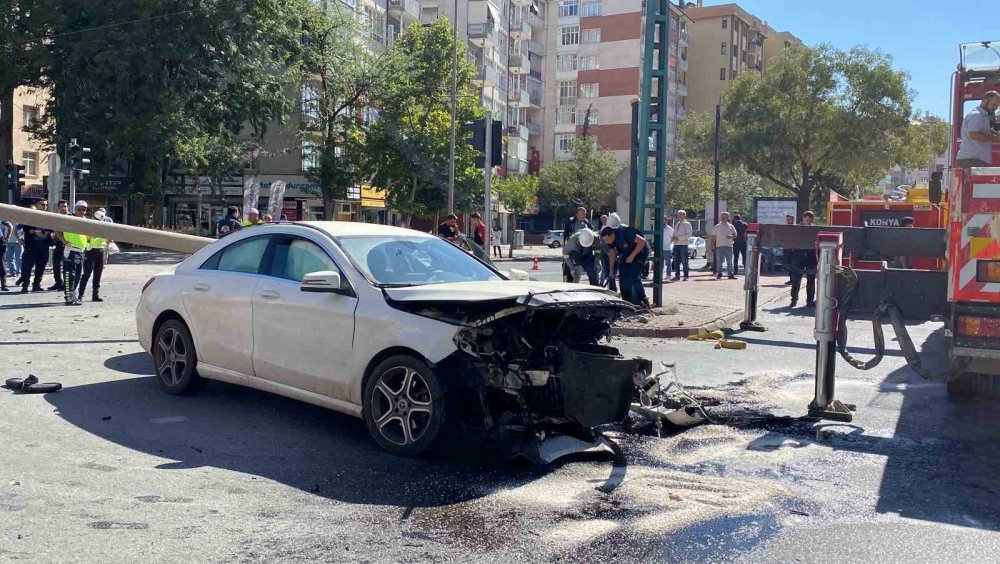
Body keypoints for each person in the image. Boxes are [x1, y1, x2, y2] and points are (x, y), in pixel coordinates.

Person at [53, 201, 90, 306]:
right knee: (69, 274)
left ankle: (73, 295)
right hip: (71, 251)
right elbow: (57, 230)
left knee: (78, 275)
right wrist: (64, 242)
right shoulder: (68, 218)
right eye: (79, 209)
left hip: (81, 251)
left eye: (84, 209)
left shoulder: (86, 220)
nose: (82, 211)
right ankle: (68, 298)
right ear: (75, 209)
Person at [601, 225, 648, 306]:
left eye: (607, 240)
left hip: (640, 252)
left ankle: (643, 300)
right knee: (622, 276)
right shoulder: (611, 241)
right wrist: (611, 271)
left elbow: (642, 242)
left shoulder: (625, 233)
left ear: (611, 235)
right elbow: (612, 255)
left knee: (634, 276)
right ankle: (626, 302)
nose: (606, 242)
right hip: (627, 253)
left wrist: (632, 255)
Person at [957, 91, 1000, 169]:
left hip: (975, 158)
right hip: (971, 159)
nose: (995, 108)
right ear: (984, 101)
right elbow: (974, 135)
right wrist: (995, 138)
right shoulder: (976, 115)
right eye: (993, 104)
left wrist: (993, 132)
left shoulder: (983, 116)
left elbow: (983, 130)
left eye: (997, 106)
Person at [18, 201, 52, 293]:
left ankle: (36, 285)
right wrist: (35, 232)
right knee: (27, 266)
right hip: (31, 246)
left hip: (43, 245)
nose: (44, 206)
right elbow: (25, 229)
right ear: (37, 205)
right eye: (42, 204)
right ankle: (25, 285)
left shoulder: (49, 217)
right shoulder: (29, 216)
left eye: (46, 205)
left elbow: (50, 229)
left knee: (40, 267)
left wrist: (41, 233)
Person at [788, 211, 817, 308]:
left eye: (809, 220)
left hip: (810, 256)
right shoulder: (797, 228)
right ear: (803, 218)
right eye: (806, 219)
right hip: (798, 255)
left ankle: (810, 301)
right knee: (796, 279)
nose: (808, 221)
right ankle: (794, 299)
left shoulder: (815, 229)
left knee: (811, 280)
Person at [79, 212, 107, 303]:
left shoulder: (104, 226)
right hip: (91, 250)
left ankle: (95, 295)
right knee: (87, 273)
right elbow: (86, 238)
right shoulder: (89, 227)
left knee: (98, 274)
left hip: (101, 250)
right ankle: (80, 295)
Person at [562, 207, 592, 282]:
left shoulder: (586, 222)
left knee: (580, 270)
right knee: (568, 270)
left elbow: (591, 231)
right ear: (577, 214)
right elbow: (566, 235)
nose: (584, 215)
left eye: (585, 214)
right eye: (583, 213)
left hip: (584, 249)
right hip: (572, 248)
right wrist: (567, 245)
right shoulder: (571, 221)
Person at [48, 200, 70, 291]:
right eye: (61, 206)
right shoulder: (56, 217)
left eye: (65, 206)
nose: (63, 208)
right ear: (58, 207)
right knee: (56, 264)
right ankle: (58, 282)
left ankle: (66, 284)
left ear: (67, 207)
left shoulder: (70, 217)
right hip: (58, 244)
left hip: (68, 244)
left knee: (67, 265)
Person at [713, 212, 738, 280]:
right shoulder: (717, 226)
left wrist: (731, 236)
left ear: (728, 218)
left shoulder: (731, 226)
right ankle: (719, 274)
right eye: (722, 217)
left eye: (725, 217)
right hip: (719, 246)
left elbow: (735, 235)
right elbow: (714, 236)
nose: (723, 218)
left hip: (729, 246)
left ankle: (730, 274)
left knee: (729, 261)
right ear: (720, 218)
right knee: (719, 261)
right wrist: (712, 245)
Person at [671, 210, 693, 281]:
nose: (679, 216)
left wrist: (678, 238)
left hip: (683, 245)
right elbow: (674, 234)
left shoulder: (687, 224)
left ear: (684, 216)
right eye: (678, 215)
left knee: (684, 261)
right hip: (676, 244)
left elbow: (689, 235)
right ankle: (677, 276)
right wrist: (673, 238)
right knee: (676, 261)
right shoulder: (677, 224)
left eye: (681, 215)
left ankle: (686, 276)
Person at [783, 214, 796, 286]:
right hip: (786, 248)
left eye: (790, 219)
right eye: (787, 219)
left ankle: (793, 279)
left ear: (793, 220)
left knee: (793, 264)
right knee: (788, 264)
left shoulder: (795, 228)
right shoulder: (784, 228)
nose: (788, 221)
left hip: (793, 249)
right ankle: (791, 279)